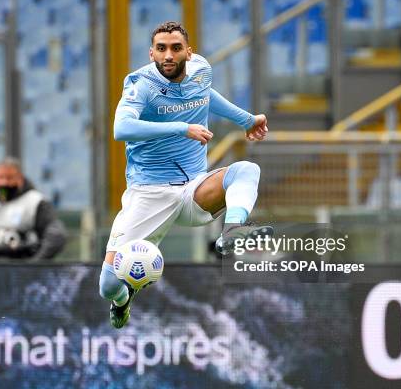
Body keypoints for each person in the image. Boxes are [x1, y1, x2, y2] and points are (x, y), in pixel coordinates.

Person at [99, 21, 273, 328]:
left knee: (246, 170)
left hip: (193, 189)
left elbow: (204, 96)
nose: (168, 55)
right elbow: (121, 129)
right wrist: (183, 128)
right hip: (148, 195)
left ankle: (232, 232)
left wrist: (247, 120)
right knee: (108, 285)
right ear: (151, 53)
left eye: (176, 48)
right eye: (161, 48)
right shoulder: (140, 85)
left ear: (188, 53)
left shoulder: (202, 70)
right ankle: (123, 301)